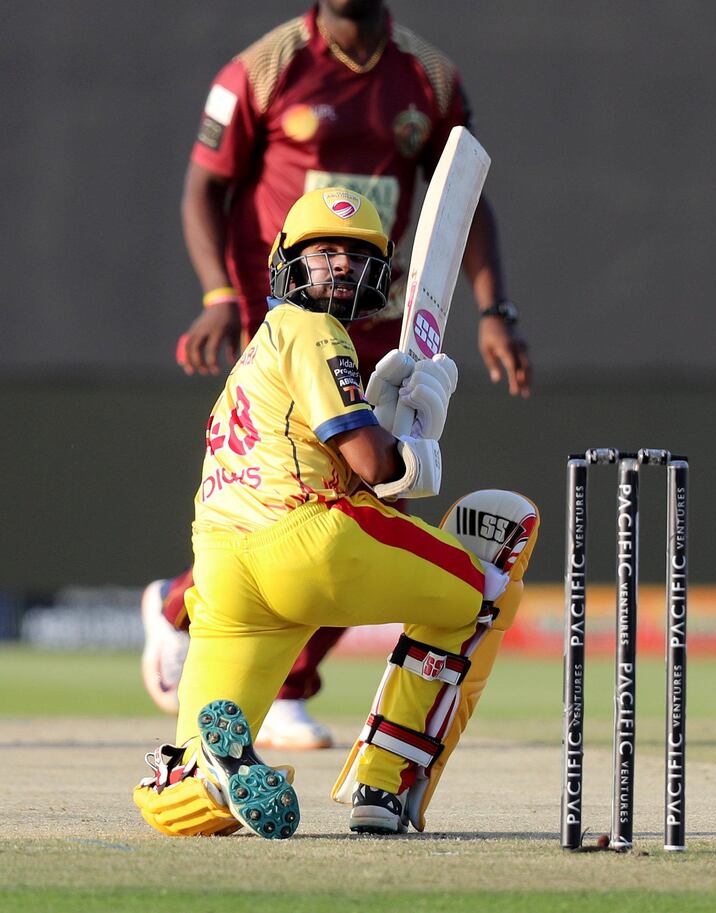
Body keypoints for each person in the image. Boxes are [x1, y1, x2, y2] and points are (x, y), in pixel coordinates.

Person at [141, 0, 530, 749]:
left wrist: (494, 309)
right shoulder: (266, 66)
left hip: (382, 322)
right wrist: (217, 296)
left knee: (348, 496)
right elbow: (202, 189)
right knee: (312, 487)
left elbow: (463, 197)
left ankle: (256, 661)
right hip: (281, 317)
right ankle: (206, 622)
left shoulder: (428, 79)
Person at [133, 190, 538, 840]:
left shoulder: (253, 357)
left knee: (194, 796)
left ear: (377, 271)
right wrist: (417, 439)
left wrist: (383, 429)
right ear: (290, 264)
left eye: (356, 254)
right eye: (325, 252)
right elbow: (376, 469)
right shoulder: (313, 329)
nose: (341, 265)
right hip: (307, 540)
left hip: (223, 576)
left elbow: (325, 455)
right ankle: (385, 781)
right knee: (487, 588)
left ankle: (207, 773)